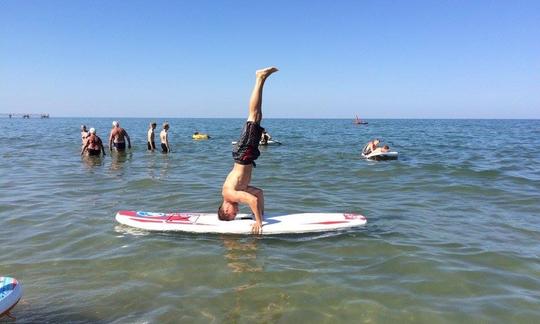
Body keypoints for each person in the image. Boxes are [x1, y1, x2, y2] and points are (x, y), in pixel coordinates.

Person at [218, 66, 278, 235]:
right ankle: (261, 79)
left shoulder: (230, 194)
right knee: (257, 117)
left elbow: (251, 200)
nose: (236, 213)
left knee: (253, 115)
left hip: (243, 154)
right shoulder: (237, 191)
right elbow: (258, 193)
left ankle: (260, 78)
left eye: (233, 215)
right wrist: (261, 214)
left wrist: (258, 223)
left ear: (226, 210)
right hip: (245, 155)